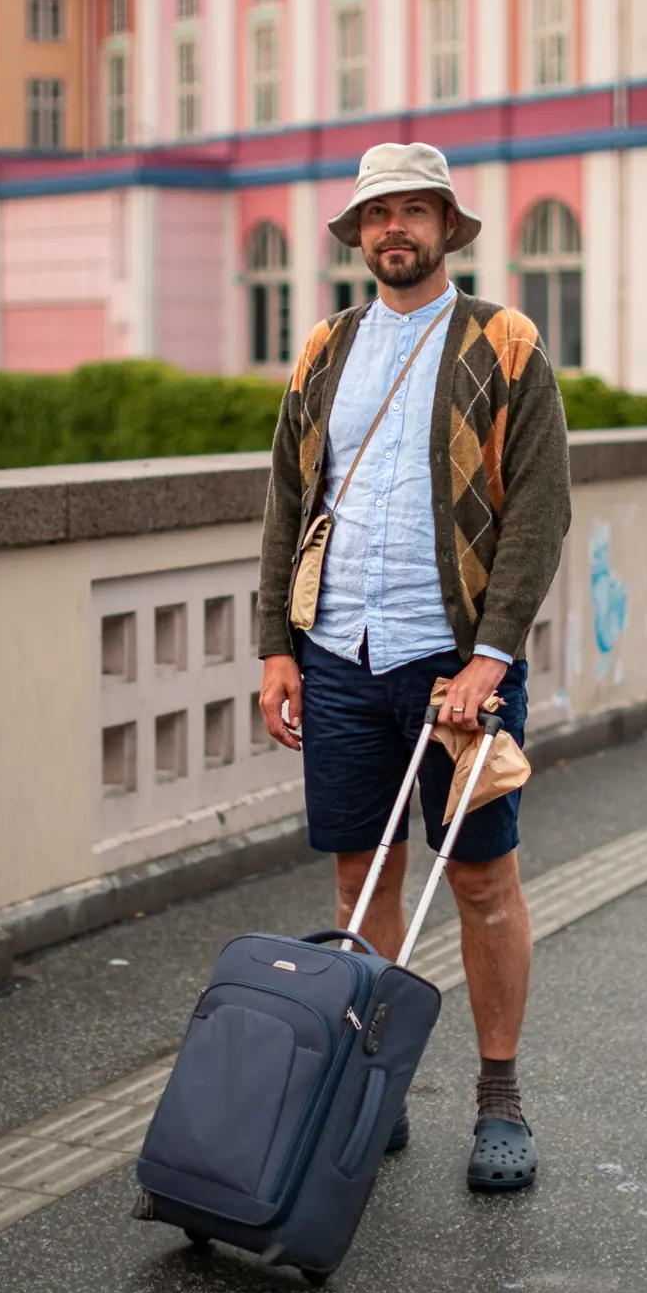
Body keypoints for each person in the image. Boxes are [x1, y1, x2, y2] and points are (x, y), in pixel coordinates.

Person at [256, 142, 572, 1193]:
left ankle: (498, 1098)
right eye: (378, 214)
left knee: (482, 882)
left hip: (454, 666)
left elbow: (538, 506)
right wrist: (276, 647)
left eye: (415, 211)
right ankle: (374, 1077)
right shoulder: (325, 350)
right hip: (341, 652)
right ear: (357, 236)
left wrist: (494, 652)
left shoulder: (504, 342)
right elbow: (285, 506)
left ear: (446, 226)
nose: (396, 229)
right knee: (360, 876)